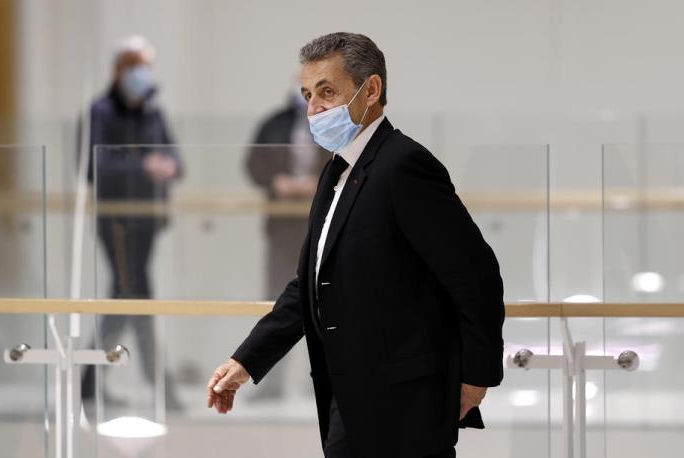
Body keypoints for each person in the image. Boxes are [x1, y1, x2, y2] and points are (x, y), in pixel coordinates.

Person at [207, 32, 505, 457]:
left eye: (327, 92)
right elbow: (310, 283)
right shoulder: (335, 172)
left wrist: (477, 375)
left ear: (371, 90)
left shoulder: (404, 165)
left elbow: (476, 275)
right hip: (349, 395)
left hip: (405, 403)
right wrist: (246, 362)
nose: (313, 108)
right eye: (307, 95)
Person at [81, 35, 183, 409]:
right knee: (134, 294)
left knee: (129, 296)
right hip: (117, 221)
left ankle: (91, 383)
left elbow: (177, 160)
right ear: (118, 69)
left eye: (145, 65)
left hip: (148, 220)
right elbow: (92, 166)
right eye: (133, 65)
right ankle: (159, 387)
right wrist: (143, 166)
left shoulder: (153, 111)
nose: (140, 73)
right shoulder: (100, 112)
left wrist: (167, 165)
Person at [245, 83, 326, 400]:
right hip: (281, 227)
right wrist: (276, 181)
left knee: (324, 302)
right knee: (277, 302)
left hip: (320, 225)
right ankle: (273, 383)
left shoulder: (332, 121)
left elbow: (349, 159)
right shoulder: (274, 123)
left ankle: (323, 378)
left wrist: (320, 181)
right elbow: (254, 164)